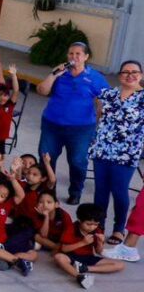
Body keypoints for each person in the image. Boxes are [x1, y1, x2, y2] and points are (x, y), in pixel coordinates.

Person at [37, 41, 109, 204]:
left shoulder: (96, 77)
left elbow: (103, 102)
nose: (74, 57)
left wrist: (97, 124)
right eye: (71, 53)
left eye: (78, 54)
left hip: (81, 129)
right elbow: (42, 91)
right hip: (52, 125)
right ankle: (48, 192)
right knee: (46, 158)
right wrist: (53, 74)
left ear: (86, 57)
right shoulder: (60, 74)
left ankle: (75, 191)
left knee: (77, 162)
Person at [87, 58, 143, 241]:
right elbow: (99, 114)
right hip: (102, 149)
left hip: (127, 153)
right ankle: (99, 226)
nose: (130, 76)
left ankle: (119, 228)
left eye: (134, 72)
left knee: (119, 190)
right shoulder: (109, 94)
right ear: (120, 76)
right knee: (101, 190)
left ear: (141, 76)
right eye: (125, 72)